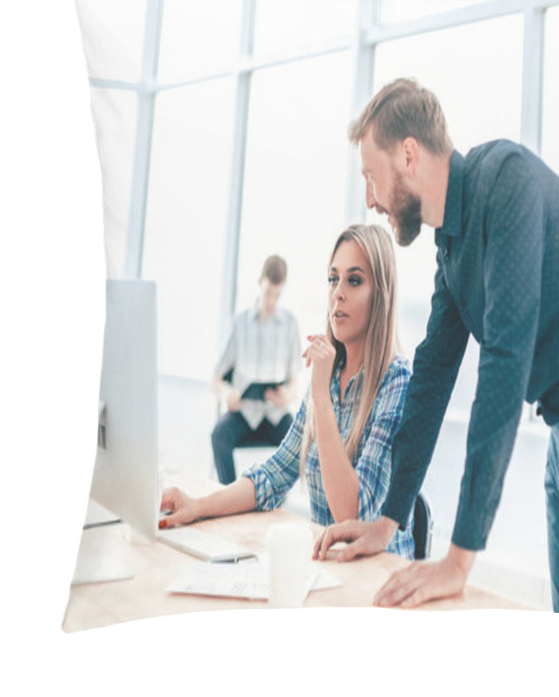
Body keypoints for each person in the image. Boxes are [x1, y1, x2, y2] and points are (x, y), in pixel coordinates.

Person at [314, 78, 559, 621]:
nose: (370, 198)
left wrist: (458, 560)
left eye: (371, 176)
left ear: (408, 154)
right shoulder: (451, 246)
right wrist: (389, 519)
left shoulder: (507, 183)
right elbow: (433, 376)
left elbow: (506, 363)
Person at [161, 224, 415, 560]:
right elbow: (274, 473)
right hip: (331, 567)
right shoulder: (330, 375)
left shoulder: (396, 383)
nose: (337, 293)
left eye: (354, 280)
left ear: (381, 294)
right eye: (332, 279)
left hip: (378, 573)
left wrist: (320, 396)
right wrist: (198, 506)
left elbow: (353, 518)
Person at [210, 255, 301, 485]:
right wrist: (225, 395)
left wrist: (286, 397)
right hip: (244, 412)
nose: (271, 300)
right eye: (268, 292)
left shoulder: (290, 324)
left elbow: (294, 381)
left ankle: (274, 500)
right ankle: (229, 496)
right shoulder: (240, 323)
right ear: (260, 282)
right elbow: (217, 378)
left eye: (277, 294)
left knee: (300, 441)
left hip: (274, 414)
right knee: (218, 435)